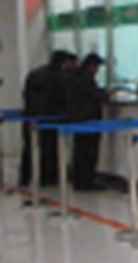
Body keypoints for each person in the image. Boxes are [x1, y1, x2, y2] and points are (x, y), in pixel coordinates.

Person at [19, 50, 77, 186]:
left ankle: (25, 177)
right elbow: (65, 97)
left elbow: (25, 94)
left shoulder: (35, 74)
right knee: (50, 149)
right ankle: (48, 178)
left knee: (29, 148)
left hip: (31, 117)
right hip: (51, 117)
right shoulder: (61, 77)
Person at [64, 53, 109, 191]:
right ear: (91, 66)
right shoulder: (86, 79)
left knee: (80, 150)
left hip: (78, 119)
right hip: (88, 120)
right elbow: (95, 95)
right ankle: (87, 181)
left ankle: (79, 180)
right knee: (88, 152)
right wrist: (105, 94)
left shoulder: (74, 77)